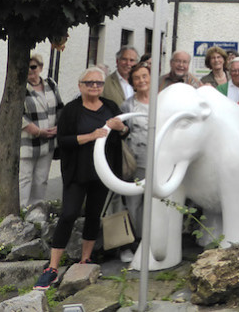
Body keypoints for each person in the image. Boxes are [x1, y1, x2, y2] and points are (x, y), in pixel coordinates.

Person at [34, 67, 128, 290]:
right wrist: (91, 136)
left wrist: (121, 127)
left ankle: (85, 259)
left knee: (94, 215)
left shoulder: (111, 107)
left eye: (99, 83)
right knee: (69, 214)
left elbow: (125, 133)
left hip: (103, 172)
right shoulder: (71, 110)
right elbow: (63, 141)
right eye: (90, 83)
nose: (95, 86)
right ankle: (52, 268)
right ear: (80, 86)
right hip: (78, 172)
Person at [20, 54, 64, 206]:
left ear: (40, 67)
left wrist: (59, 126)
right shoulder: (20, 87)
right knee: (24, 178)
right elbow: (18, 115)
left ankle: (37, 209)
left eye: (33, 66)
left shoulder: (50, 84)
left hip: (49, 141)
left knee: (41, 178)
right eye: (27, 67)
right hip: (28, 141)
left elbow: (60, 108)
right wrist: (37, 131)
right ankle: (22, 211)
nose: (30, 70)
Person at [119, 61, 151, 262]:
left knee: (154, 203)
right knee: (133, 203)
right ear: (132, 82)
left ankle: (149, 241)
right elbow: (124, 132)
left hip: (159, 162)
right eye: (137, 78)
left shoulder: (160, 101)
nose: (141, 81)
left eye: (144, 76)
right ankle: (131, 243)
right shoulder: (128, 105)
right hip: (137, 161)